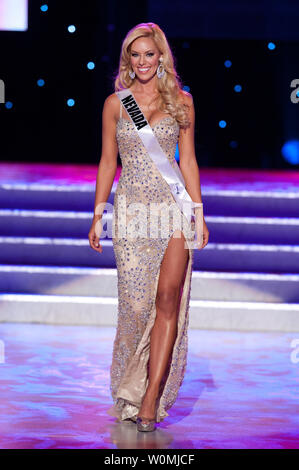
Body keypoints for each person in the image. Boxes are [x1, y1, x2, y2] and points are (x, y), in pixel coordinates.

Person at [88, 22, 209, 432]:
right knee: (138, 308)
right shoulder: (116, 104)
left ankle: (152, 397)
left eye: (149, 54)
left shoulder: (182, 102)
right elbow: (108, 161)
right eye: (134, 55)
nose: (141, 62)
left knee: (168, 302)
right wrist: (98, 212)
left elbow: (188, 161)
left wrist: (198, 211)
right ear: (128, 60)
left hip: (172, 209)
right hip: (132, 214)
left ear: (161, 58)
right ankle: (132, 385)